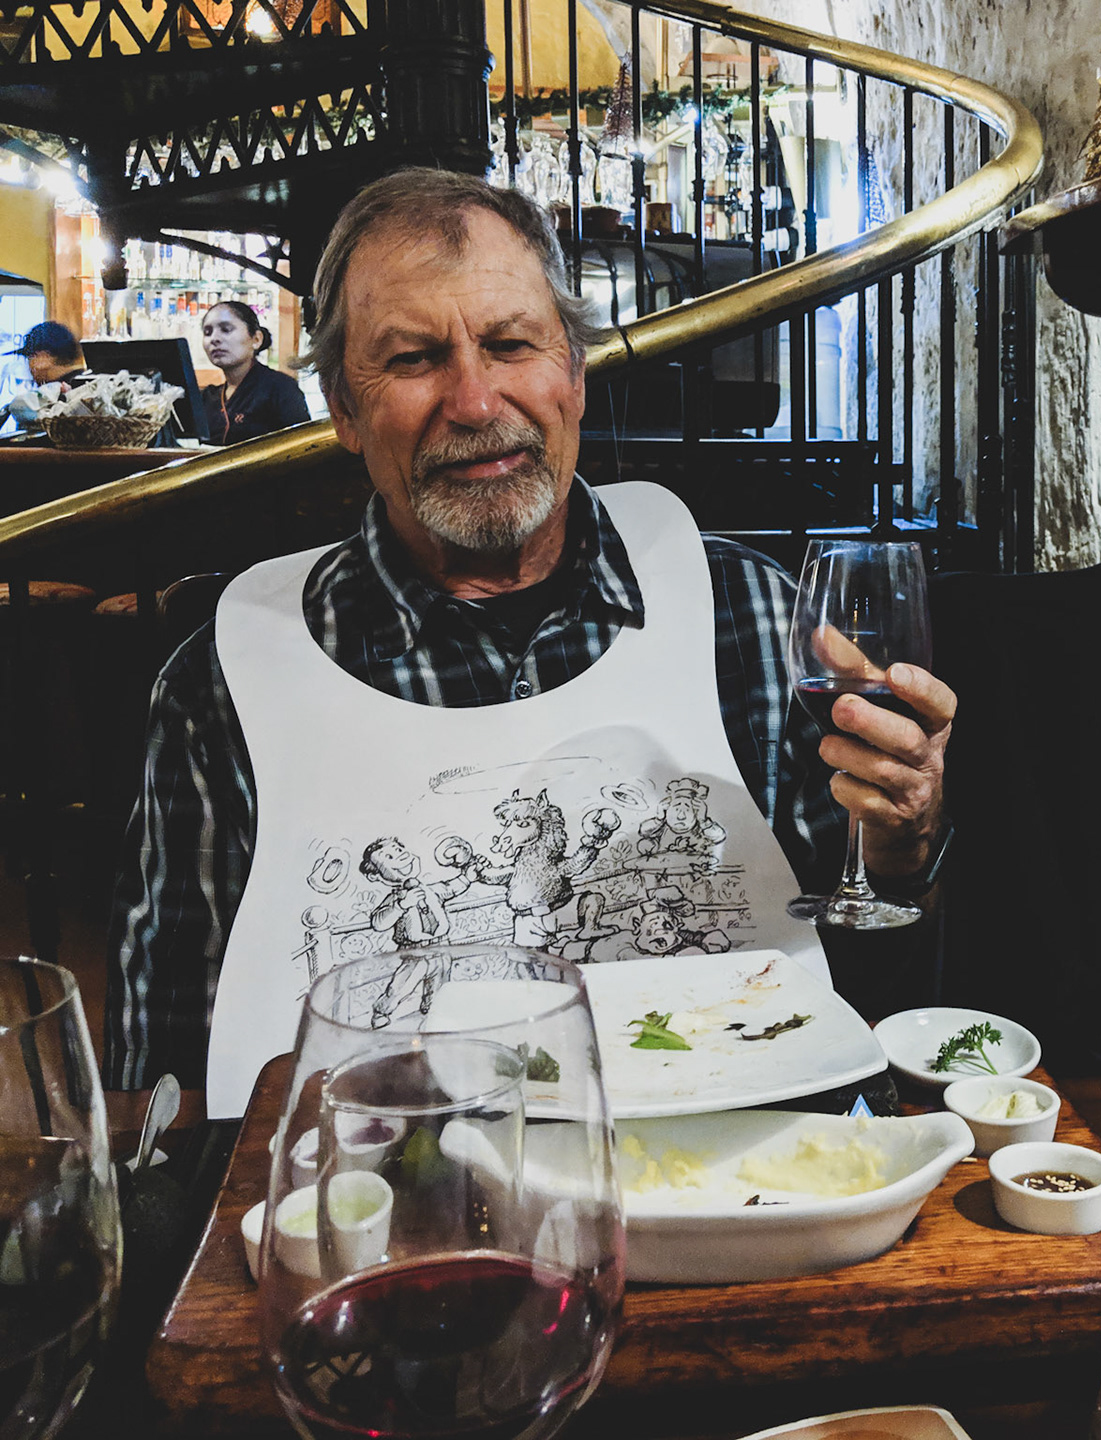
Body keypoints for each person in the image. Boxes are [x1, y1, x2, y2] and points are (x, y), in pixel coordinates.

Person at [107, 167, 954, 1109]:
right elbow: (161, 1083)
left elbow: (865, 997)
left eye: (511, 344)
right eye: (415, 359)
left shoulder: (750, 614)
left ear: (575, 374)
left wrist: (901, 845)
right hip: (395, 1193)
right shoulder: (220, 687)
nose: (476, 403)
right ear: (343, 408)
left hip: (741, 1180)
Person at [198, 300, 310, 444]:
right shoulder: (207, 397)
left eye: (226, 330)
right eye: (207, 333)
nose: (214, 339)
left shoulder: (280, 388)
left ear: (256, 339)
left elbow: (301, 446)